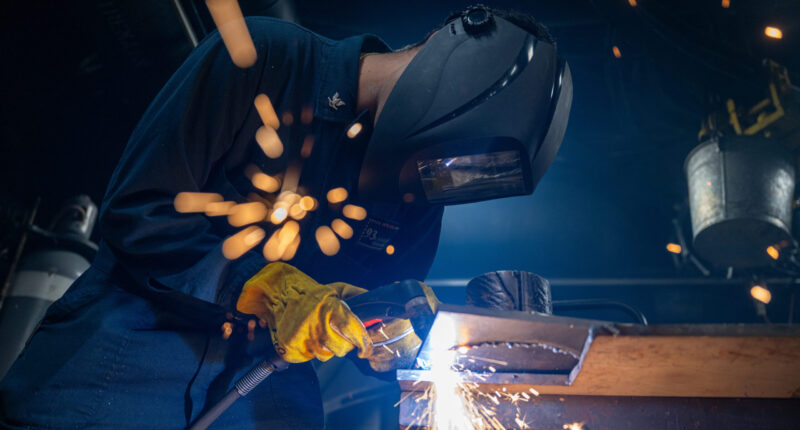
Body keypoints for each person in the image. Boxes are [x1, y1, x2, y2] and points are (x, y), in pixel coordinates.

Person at [0, 5, 571, 429]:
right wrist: (268, 286)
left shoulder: (420, 189)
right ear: (453, 74)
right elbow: (139, 211)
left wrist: (385, 334)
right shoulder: (263, 59)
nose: (436, 174)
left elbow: (355, 320)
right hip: (118, 372)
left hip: (268, 402)